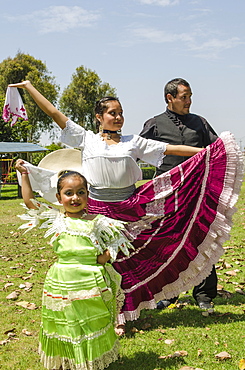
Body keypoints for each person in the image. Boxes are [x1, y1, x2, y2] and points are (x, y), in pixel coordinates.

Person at [9, 81, 243, 331]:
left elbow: (172, 148)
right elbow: (54, 113)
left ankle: (128, 310)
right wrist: (29, 87)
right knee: (101, 262)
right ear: (99, 117)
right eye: (113, 113)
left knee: (130, 261)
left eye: (121, 113)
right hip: (97, 210)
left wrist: (209, 152)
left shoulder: (133, 142)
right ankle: (102, 312)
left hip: (130, 208)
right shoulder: (86, 138)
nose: (118, 117)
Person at [15, 159, 133, 369]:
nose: (75, 198)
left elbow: (118, 239)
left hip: (91, 282)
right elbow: (30, 202)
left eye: (81, 192)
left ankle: (90, 360)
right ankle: (67, 360)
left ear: (88, 195)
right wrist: (24, 175)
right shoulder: (56, 220)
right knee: (66, 322)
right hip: (62, 281)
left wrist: (106, 255)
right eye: (69, 193)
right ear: (59, 197)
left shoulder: (99, 222)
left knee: (90, 322)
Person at [140, 77, 219, 310]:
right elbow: (136, 151)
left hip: (198, 191)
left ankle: (204, 294)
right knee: (167, 241)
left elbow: (216, 150)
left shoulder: (200, 123)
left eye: (190, 96)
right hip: (168, 194)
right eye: (184, 97)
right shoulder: (155, 124)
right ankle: (168, 292)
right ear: (170, 98)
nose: (189, 101)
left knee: (202, 240)